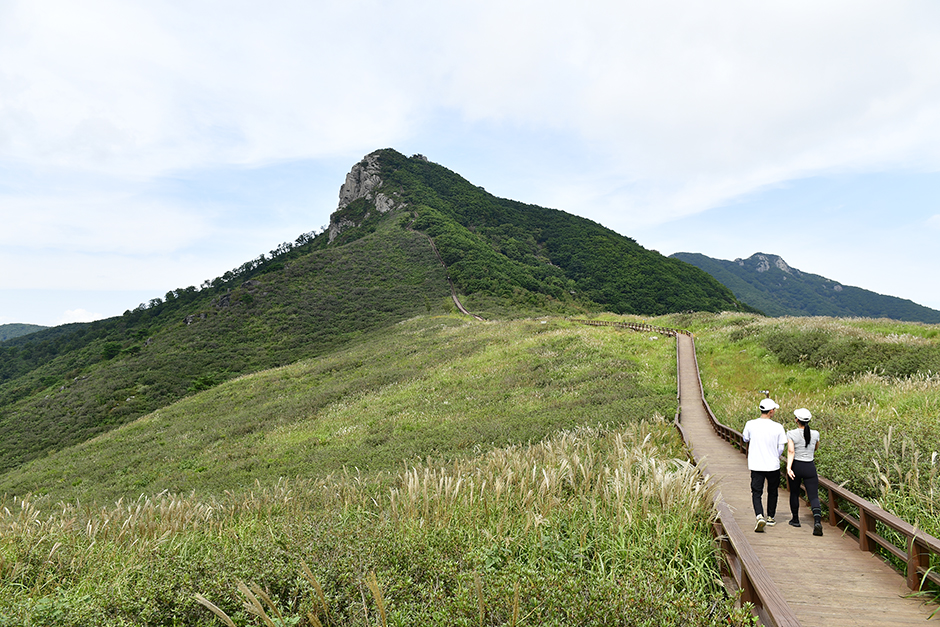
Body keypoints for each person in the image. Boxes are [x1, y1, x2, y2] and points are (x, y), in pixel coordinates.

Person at [742, 398, 787, 532]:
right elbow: (781, 447)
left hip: (756, 464)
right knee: (773, 491)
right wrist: (775, 455)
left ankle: (759, 515)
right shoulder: (778, 426)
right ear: (771, 411)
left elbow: (745, 438)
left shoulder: (750, 424)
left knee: (757, 492)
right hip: (773, 465)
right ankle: (771, 517)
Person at [786, 408, 823, 536]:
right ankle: (817, 521)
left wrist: (788, 468)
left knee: (794, 493)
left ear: (796, 419)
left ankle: (795, 520)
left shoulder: (791, 433)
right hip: (809, 467)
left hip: (796, 466)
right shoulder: (816, 433)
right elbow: (815, 448)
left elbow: (791, 451)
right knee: (813, 495)